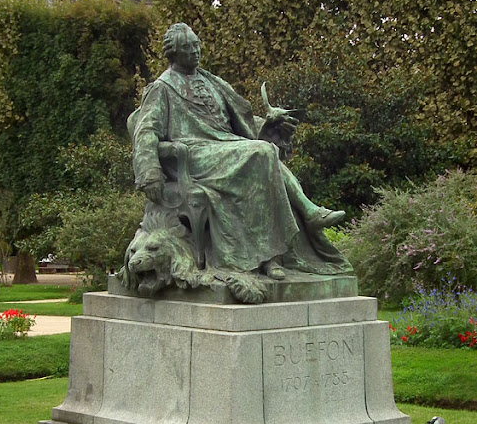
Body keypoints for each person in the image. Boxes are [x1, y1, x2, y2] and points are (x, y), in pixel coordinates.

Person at [129, 23, 351, 280]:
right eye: (189, 48)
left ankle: (273, 255)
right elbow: (145, 131)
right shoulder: (162, 87)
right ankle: (304, 218)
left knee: (265, 156)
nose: (196, 52)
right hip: (195, 154)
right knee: (262, 154)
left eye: (197, 46)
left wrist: (270, 123)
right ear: (174, 53)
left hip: (224, 146)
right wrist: (150, 172)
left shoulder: (212, 81)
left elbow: (239, 122)